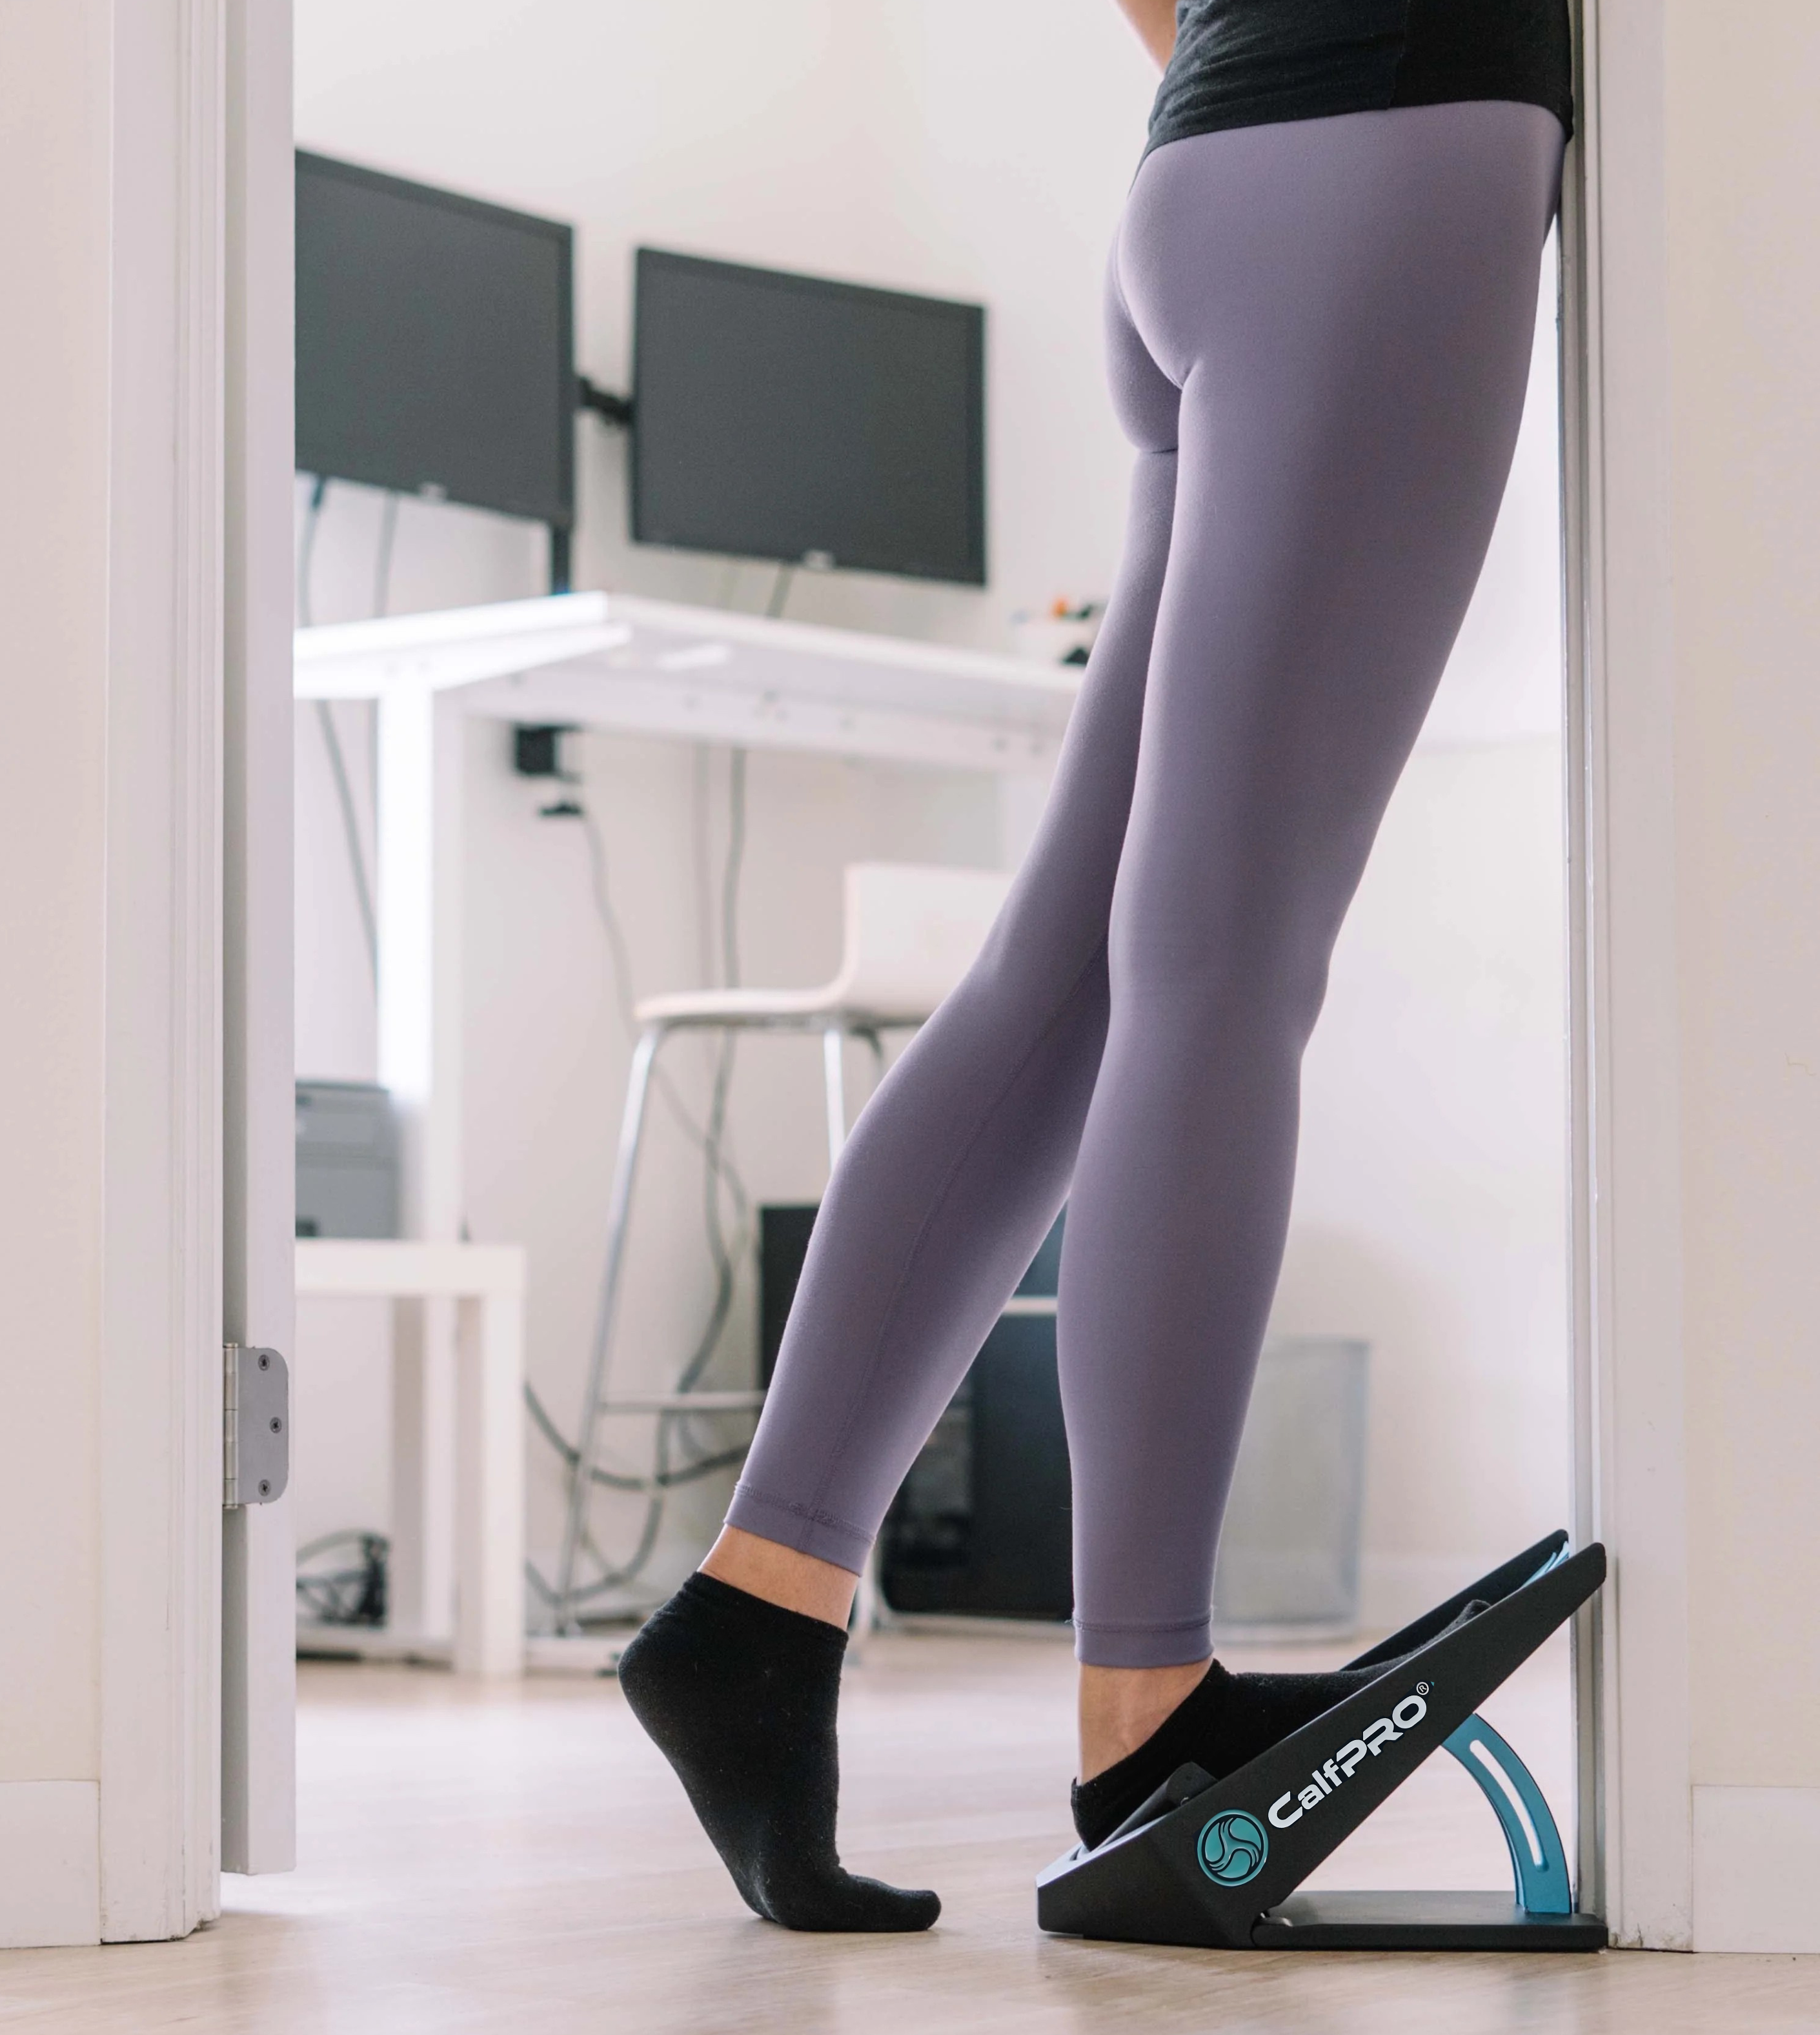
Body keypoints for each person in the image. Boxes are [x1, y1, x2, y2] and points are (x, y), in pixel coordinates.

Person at [618, 0, 1572, 1933]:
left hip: (1207, 177)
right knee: (1222, 969)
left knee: (1058, 989)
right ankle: (1148, 1716)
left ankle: (759, 1613)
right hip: (1397, 148)